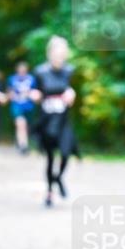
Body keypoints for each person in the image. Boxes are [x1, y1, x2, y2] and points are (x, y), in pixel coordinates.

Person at [31, 35, 80, 207]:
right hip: (47, 120)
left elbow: (73, 91)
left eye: (63, 54)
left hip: (63, 120)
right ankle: (49, 191)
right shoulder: (40, 72)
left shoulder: (70, 71)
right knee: (50, 158)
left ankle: (58, 178)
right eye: (57, 54)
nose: (60, 57)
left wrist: (72, 94)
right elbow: (36, 91)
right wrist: (35, 96)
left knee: (66, 153)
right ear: (49, 53)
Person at [8, 61, 36, 155]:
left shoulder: (31, 79)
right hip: (17, 105)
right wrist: (12, 96)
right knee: (20, 124)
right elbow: (9, 91)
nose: (22, 71)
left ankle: (22, 141)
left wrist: (30, 94)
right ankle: (23, 145)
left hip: (29, 105)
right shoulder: (12, 79)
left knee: (26, 126)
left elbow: (35, 91)